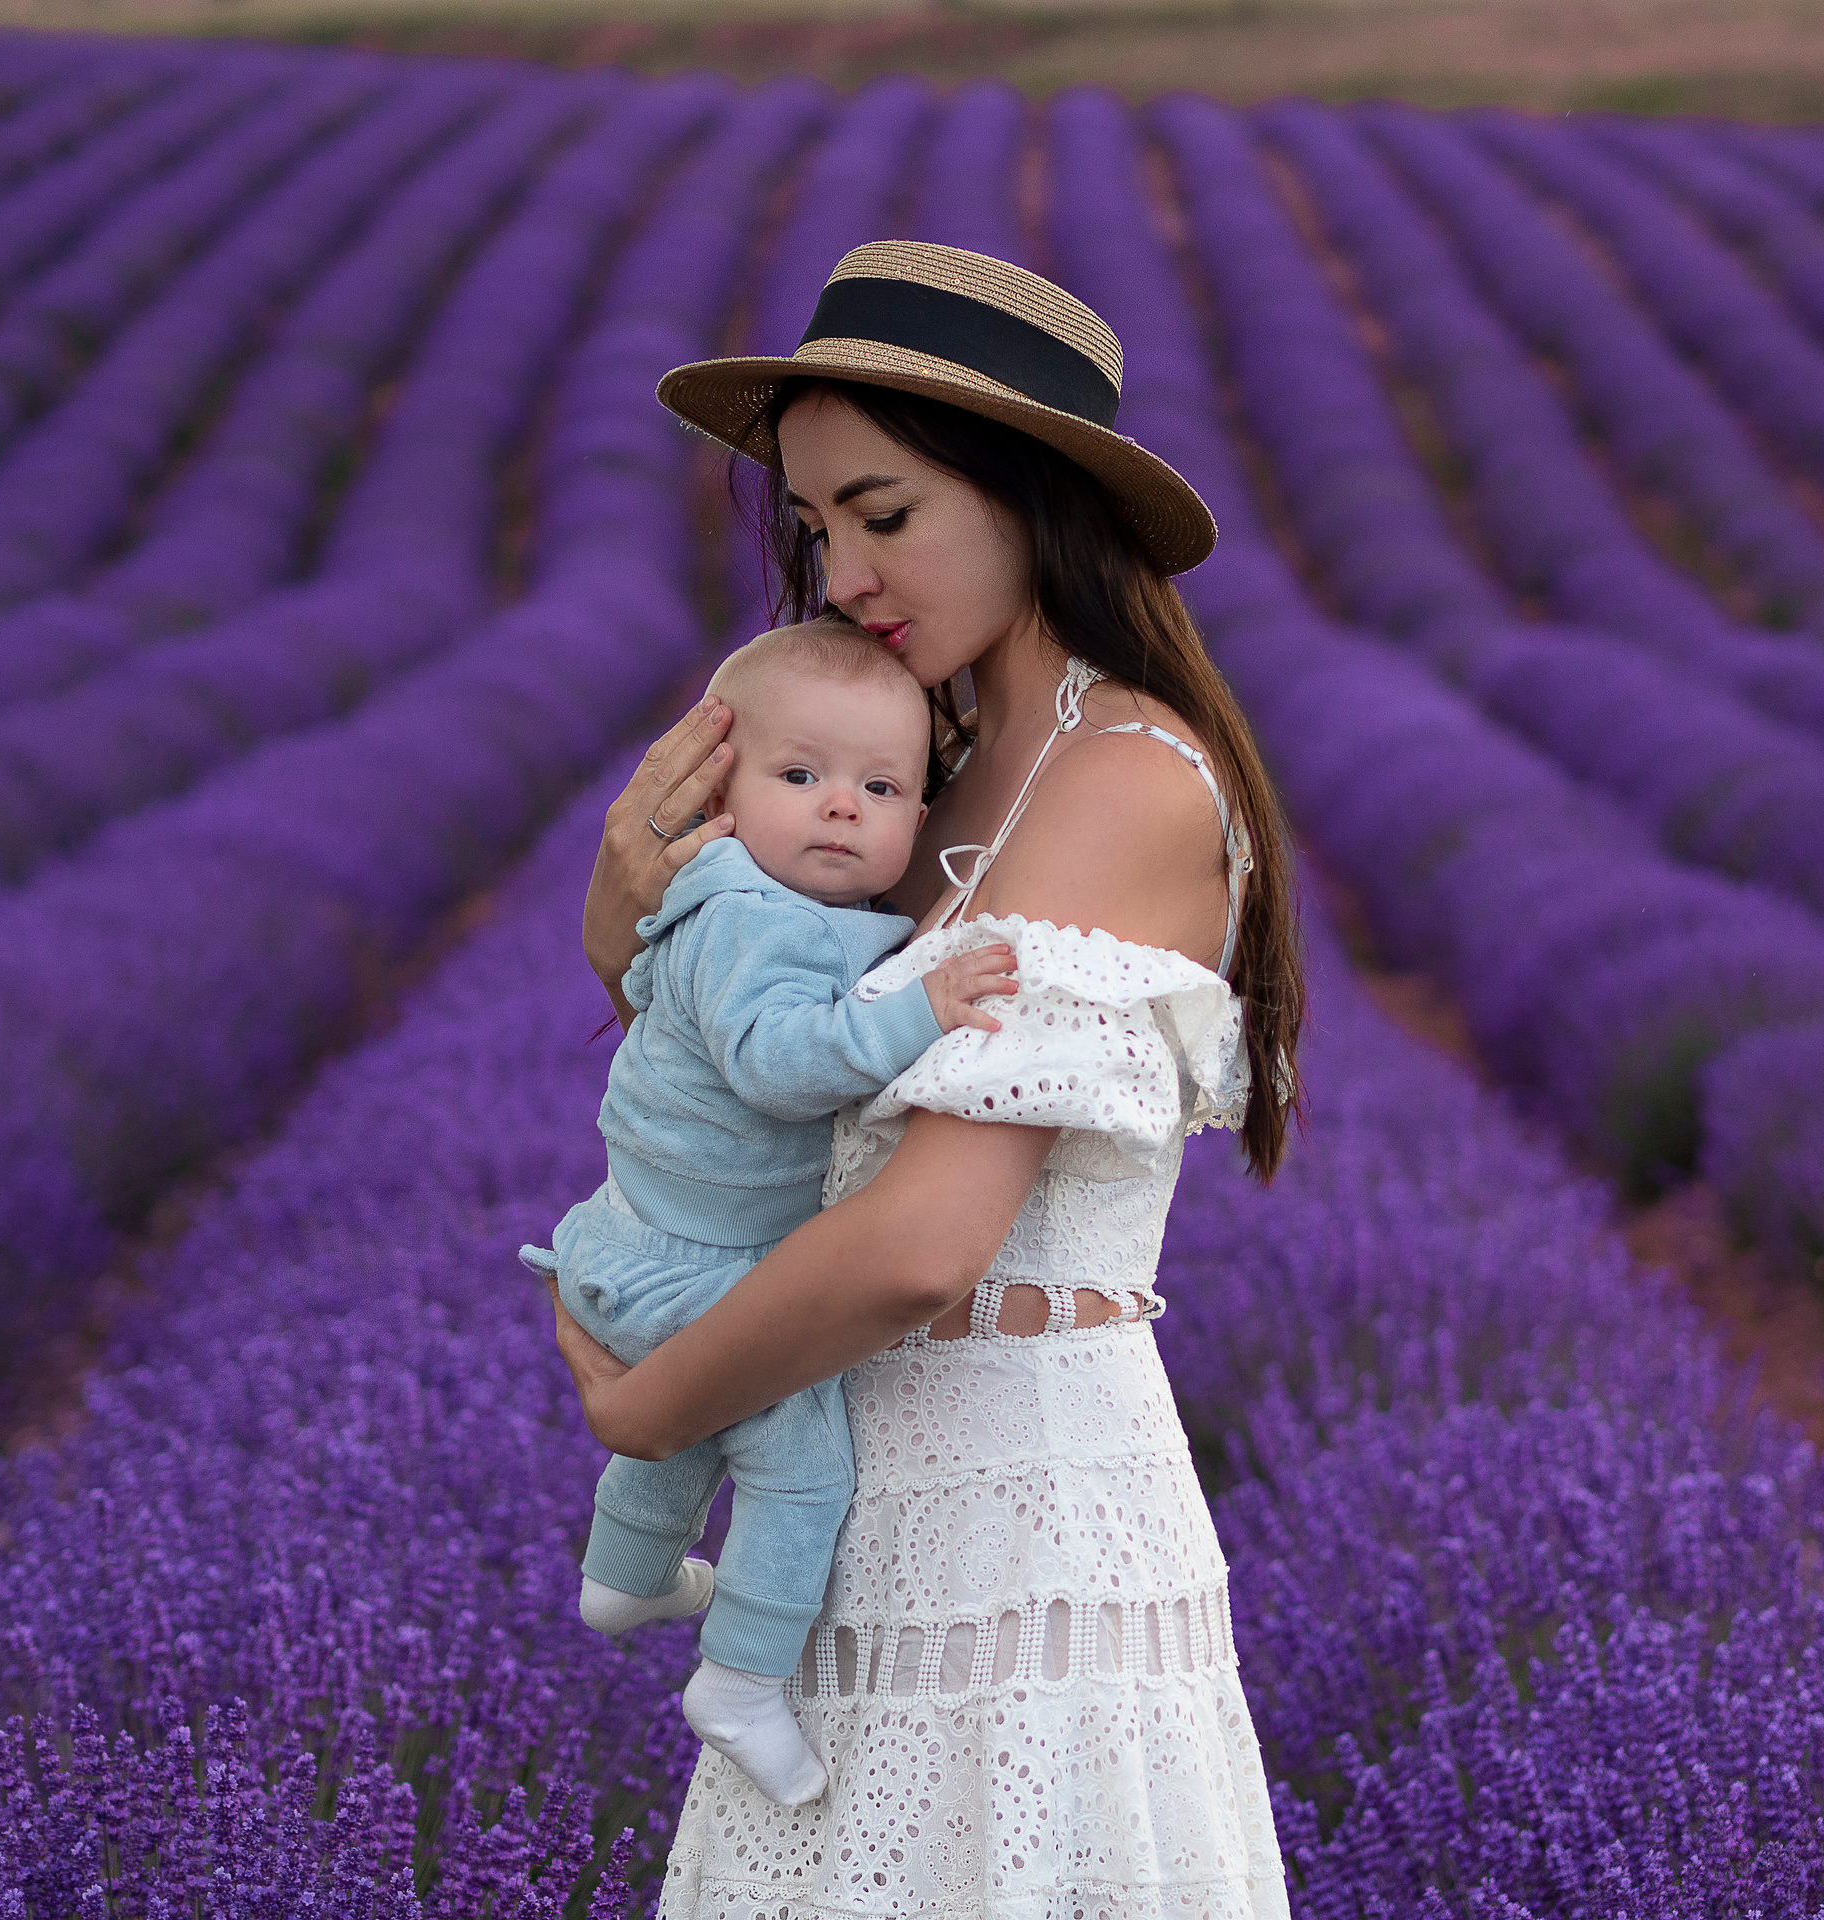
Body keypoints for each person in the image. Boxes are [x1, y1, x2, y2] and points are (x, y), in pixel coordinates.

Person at [553, 240, 1303, 1917]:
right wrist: (625, 925)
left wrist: (641, 1412)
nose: (842, 567)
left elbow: (919, 1242)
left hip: (1020, 1536)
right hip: (856, 1527)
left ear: (1033, 495)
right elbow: (772, 1088)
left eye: (883, 511)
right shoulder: (938, 772)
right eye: (815, 526)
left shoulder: (1121, 783)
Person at [519, 619, 1021, 1809]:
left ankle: (625, 1576)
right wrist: (925, 1010)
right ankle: (740, 1682)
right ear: (720, 795)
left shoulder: (725, 902)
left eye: (882, 787)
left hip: (630, 1243)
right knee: (799, 1472)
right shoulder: (759, 919)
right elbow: (777, 1067)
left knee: (697, 1430)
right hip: (693, 1265)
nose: (842, 807)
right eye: (801, 777)